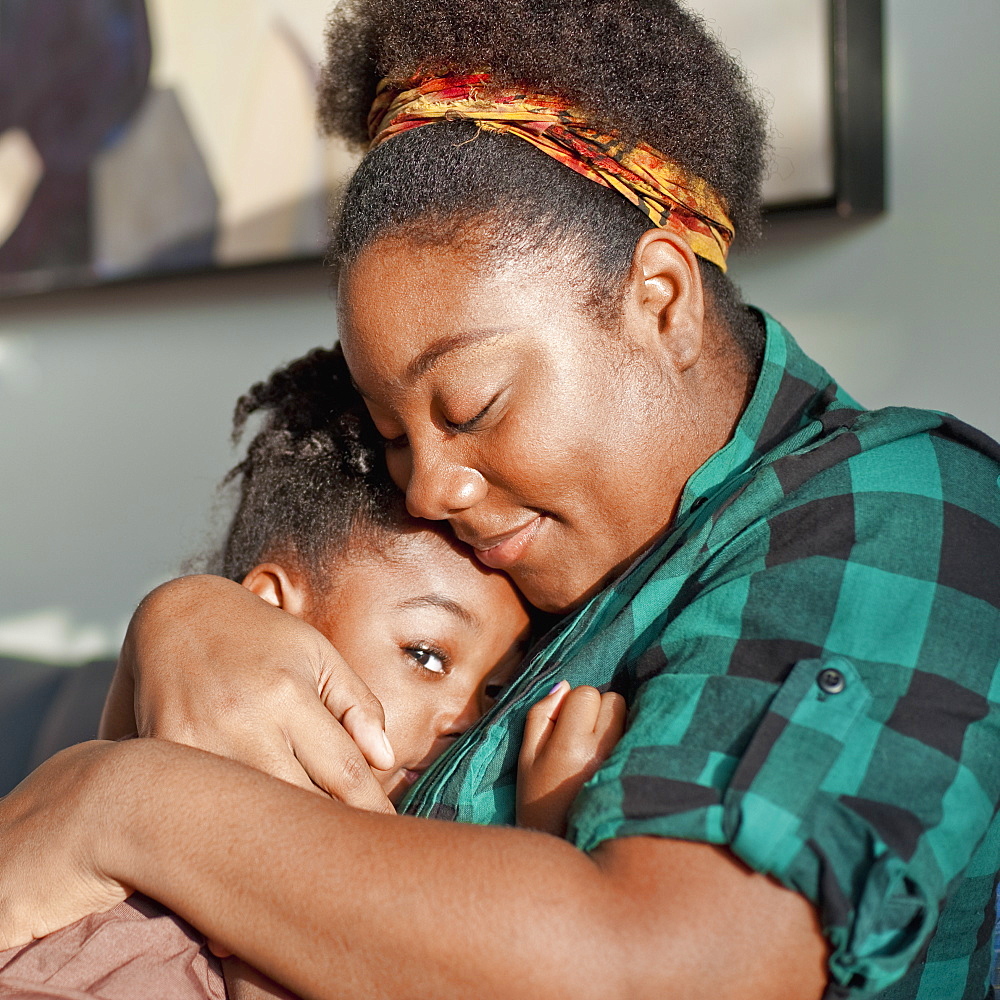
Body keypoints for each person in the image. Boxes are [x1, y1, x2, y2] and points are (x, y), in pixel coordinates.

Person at [1, 1, 999, 998]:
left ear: (658, 300)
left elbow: (666, 964)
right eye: (395, 436)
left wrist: (125, 807)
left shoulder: (895, 510)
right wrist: (178, 620)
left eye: (472, 404)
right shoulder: (544, 552)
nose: (428, 486)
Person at [0, 346, 622, 1000]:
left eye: (498, 689)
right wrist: (546, 857)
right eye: (426, 655)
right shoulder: (180, 754)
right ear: (268, 614)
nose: (466, 718)